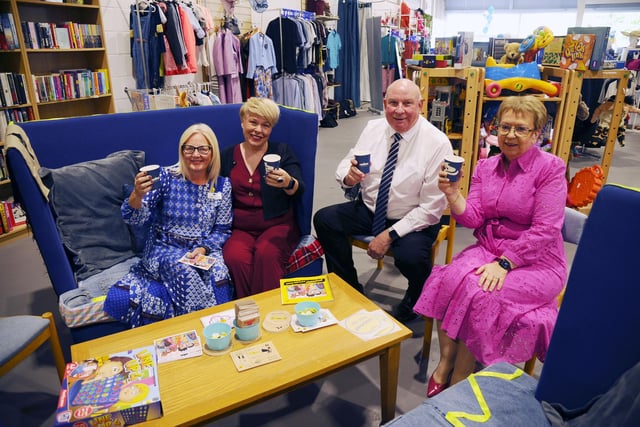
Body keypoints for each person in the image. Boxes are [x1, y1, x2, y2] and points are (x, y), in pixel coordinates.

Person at [413, 96, 567, 398]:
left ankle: (459, 378)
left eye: (521, 129)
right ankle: (446, 361)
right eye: (504, 127)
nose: (510, 135)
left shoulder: (550, 168)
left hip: (538, 260)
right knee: (450, 277)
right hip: (490, 248)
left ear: (537, 134)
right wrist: (452, 193)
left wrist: (506, 262)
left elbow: (546, 230)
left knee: (479, 292)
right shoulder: (486, 167)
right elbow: (472, 217)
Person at [313, 78, 453, 323]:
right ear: (385, 103)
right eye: (393, 103)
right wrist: (348, 176)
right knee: (325, 220)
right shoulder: (373, 128)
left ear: (421, 105)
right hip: (371, 209)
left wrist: (388, 235)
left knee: (411, 257)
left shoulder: (437, 143)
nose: (399, 110)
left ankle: (416, 298)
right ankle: (349, 287)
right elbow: (349, 160)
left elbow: (431, 209)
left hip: (413, 217)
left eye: (407, 103)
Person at [104, 123, 234, 327]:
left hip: (203, 250)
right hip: (165, 248)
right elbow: (134, 218)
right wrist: (137, 194)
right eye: (189, 148)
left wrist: (203, 248)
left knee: (219, 273)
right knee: (186, 273)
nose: (195, 154)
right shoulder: (165, 177)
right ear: (182, 151)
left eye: (203, 149)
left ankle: (222, 328)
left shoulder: (222, 185)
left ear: (212, 152)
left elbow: (222, 230)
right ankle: (195, 331)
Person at [221, 97, 303, 297]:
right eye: (253, 122)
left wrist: (288, 182)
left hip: (278, 225)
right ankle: (247, 310)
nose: (258, 130)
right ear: (243, 122)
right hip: (241, 228)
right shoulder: (227, 155)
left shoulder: (282, 151)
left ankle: (268, 311)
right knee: (234, 257)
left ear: (271, 129)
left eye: (265, 125)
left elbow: (298, 187)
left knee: (267, 254)